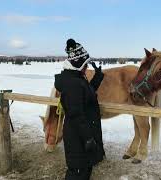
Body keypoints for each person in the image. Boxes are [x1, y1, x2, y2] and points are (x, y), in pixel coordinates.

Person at [54, 38, 105, 180]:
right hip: (78, 139)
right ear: (78, 63)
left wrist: (97, 78)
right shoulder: (73, 83)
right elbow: (76, 114)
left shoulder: (76, 78)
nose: (87, 68)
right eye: (85, 65)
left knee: (83, 171)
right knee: (77, 173)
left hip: (80, 136)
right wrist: (88, 138)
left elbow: (85, 96)